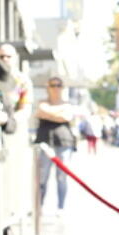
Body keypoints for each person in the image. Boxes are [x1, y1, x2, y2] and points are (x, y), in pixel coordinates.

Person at [35, 76, 78, 213]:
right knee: (42, 176)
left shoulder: (67, 104)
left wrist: (49, 113)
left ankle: (61, 207)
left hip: (64, 142)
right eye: (52, 85)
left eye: (59, 85)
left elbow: (66, 116)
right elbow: (41, 111)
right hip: (45, 141)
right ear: (47, 87)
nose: (56, 88)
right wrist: (56, 113)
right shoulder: (42, 102)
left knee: (62, 177)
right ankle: (39, 206)